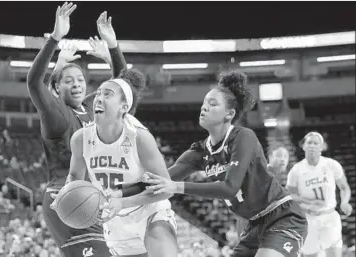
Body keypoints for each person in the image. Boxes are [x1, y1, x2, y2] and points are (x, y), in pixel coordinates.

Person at [114, 71, 308, 257]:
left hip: (282, 217)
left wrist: (176, 187)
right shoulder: (200, 151)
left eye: (212, 104)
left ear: (229, 114)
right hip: (254, 225)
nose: (204, 107)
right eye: (205, 102)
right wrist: (119, 194)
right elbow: (162, 179)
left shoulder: (243, 137)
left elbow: (229, 188)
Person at [27, 3, 126, 256]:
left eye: (80, 80)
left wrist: (113, 48)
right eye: (68, 81)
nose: (77, 84)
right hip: (66, 197)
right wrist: (55, 38)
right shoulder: (56, 113)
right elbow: (34, 82)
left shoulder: (94, 109)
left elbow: (123, 89)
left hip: (91, 198)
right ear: (57, 88)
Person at [54, 68, 178, 257]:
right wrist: (65, 196)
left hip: (149, 212)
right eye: (98, 94)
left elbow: (167, 189)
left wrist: (124, 201)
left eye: (108, 94)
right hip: (114, 221)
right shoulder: (80, 139)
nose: (98, 98)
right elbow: (74, 177)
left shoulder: (139, 138)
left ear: (123, 107)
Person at [286, 131, 353, 257]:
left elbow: (344, 187)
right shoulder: (296, 170)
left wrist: (345, 202)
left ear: (322, 147)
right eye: (309, 142)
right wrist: (310, 201)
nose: (312, 145)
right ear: (303, 146)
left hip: (329, 216)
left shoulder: (332, 165)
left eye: (316, 143)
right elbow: (290, 196)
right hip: (307, 218)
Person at [236, 142, 291, 238]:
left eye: (285, 156)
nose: (283, 159)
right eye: (278, 155)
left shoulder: (273, 176)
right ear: (270, 156)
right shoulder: (264, 174)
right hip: (251, 227)